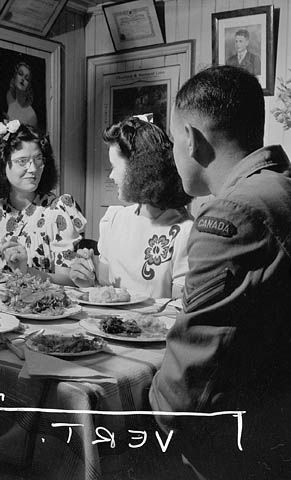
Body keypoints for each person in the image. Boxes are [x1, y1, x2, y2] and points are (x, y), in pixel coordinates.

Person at [149, 65, 291, 479]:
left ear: (191, 140)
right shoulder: (279, 187)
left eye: (175, 141)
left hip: (236, 450)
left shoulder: (231, 213)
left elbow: (182, 393)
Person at [69, 116, 193, 298]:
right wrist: (86, 282)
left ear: (141, 171)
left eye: (114, 166)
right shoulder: (113, 220)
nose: (111, 176)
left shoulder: (185, 231)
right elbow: (105, 290)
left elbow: (178, 310)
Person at [0, 119, 86, 285]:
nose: (33, 169)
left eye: (38, 159)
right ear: (2, 165)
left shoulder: (58, 212)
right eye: (22, 161)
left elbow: (70, 281)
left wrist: (26, 271)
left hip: (45, 308)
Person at [5, 61, 38, 128]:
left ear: (29, 85)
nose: (23, 79)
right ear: (15, 76)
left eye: (27, 79)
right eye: (20, 74)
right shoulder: (9, 97)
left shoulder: (31, 115)